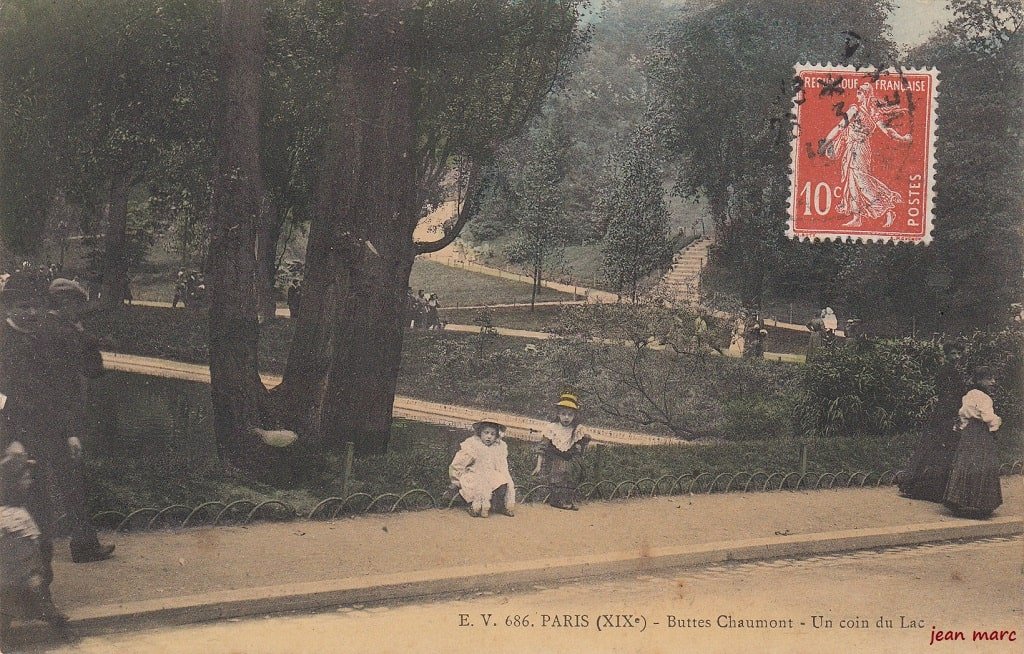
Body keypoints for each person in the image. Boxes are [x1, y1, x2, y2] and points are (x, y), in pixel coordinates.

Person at [0, 276, 114, 578]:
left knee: (45, 498)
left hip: (48, 427)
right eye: (22, 307)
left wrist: (69, 430)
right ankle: (54, 560)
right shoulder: (23, 339)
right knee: (45, 494)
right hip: (29, 432)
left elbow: (56, 388)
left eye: (33, 306)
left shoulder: (41, 335)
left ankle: (43, 568)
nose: (30, 313)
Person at [1, 442, 73, 645]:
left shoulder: (17, 512)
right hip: (17, 574)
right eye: (25, 479)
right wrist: (32, 572)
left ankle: (55, 622)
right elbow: (19, 550)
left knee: (26, 601)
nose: (29, 482)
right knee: (15, 602)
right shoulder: (12, 518)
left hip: (20, 573)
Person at [820, 82, 911, 228]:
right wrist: (827, 142)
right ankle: (857, 218)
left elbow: (887, 131)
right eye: (858, 92)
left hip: (860, 150)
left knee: (862, 181)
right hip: (852, 148)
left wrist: (901, 138)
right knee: (852, 182)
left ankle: (887, 209)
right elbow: (841, 127)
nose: (858, 95)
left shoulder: (867, 112)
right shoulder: (863, 112)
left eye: (860, 93)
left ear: (866, 94)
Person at [898, 347, 964, 502]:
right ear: (947, 355)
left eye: (958, 353)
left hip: (948, 409)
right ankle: (927, 488)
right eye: (953, 353)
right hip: (945, 412)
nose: (956, 356)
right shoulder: (947, 372)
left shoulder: (954, 372)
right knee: (937, 445)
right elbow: (947, 391)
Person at [943, 367, 1004, 518]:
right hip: (981, 434)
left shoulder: (969, 395)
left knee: (966, 463)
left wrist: (961, 427)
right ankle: (980, 502)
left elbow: (963, 414)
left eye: (993, 378)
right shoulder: (984, 398)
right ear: (978, 380)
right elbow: (988, 417)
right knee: (982, 464)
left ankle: (961, 500)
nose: (993, 382)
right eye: (989, 379)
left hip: (969, 433)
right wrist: (996, 424)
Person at [531, 393, 590, 511]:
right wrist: (538, 466)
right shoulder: (552, 428)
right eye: (563, 414)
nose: (566, 418)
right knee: (562, 469)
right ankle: (557, 501)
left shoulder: (576, 429)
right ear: (558, 414)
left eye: (570, 414)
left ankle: (569, 499)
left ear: (574, 416)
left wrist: (583, 442)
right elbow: (542, 447)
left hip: (568, 457)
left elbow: (582, 442)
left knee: (575, 469)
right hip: (554, 457)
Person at [449, 420, 516, 518]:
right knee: (478, 483)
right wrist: (456, 480)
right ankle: (474, 507)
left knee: (503, 480)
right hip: (473, 473)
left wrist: (504, 478)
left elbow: (502, 466)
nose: (489, 436)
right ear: (480, 433)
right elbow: (458, 464)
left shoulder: (498, 447)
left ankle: (500, 505)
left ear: (497, 436)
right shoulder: (473, 445)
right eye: (486, 433)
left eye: (493, 434)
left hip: (490, 474)